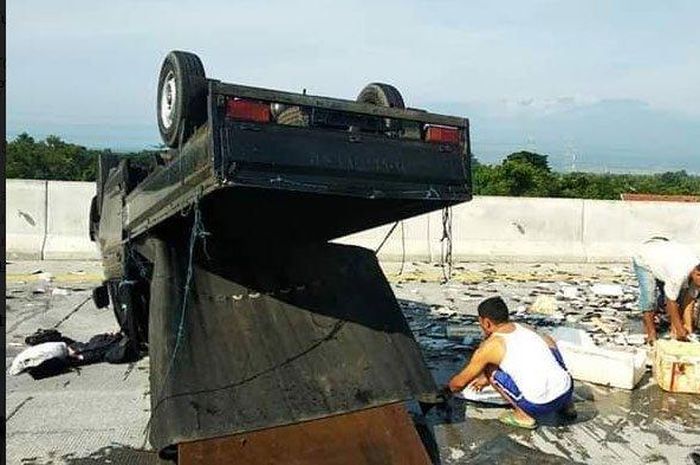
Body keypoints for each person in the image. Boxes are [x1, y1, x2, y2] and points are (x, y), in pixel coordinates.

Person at [447, 296, 574, 429]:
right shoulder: (525, 328)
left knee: (489, 368)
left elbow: (459, 384)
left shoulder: (490, 346)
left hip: (539, 404)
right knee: (548, 343)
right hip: (566, 390)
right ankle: (568, 406)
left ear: (486, 323)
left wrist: (445, 391)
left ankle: (523, 416)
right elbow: (543, 346)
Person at [633, 237, 700, 343]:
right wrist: (680, 329)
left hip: (665, 257)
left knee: (675, 295)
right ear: (696, 273)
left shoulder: (696, 274)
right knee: (649, 297)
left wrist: (688, 327)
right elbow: (671, 302)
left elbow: (689, 301)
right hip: (645, 257)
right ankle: (651, 333)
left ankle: (673, 330)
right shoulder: (679, 274)